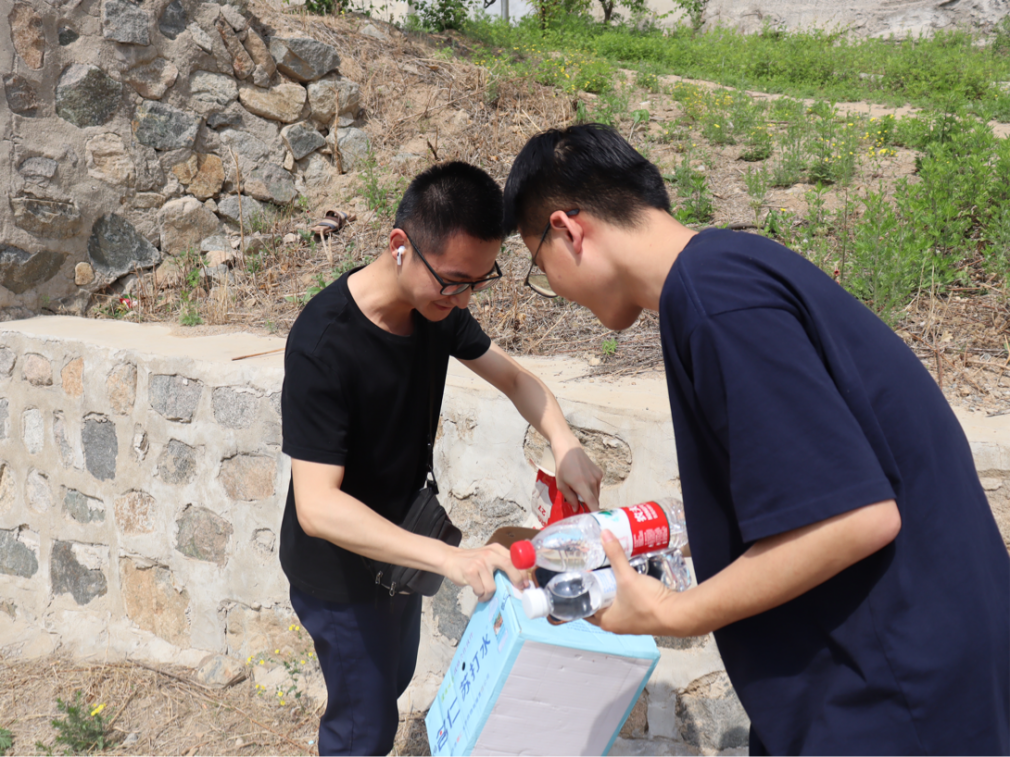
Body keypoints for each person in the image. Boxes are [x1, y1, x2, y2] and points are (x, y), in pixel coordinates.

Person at [502, 123, 1010, 756]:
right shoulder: (730, 269)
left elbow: (855, 518)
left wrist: (667, 613)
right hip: (899, 667)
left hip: (893, 694)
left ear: (568, 231)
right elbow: (807, 481)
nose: (556, 292)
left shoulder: (716, 303)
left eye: (540, 270)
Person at [280, 161, 603, 757]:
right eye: (454, 281)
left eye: (479, 281)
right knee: (362, 728)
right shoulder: (324, 344)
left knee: (393, 678)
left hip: (404, 546)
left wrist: (566, 445)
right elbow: (317, 507)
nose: (464, 298)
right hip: (340, 571)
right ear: (399, 246)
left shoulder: (437, 310)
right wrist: (454, 560)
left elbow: (517, 381)